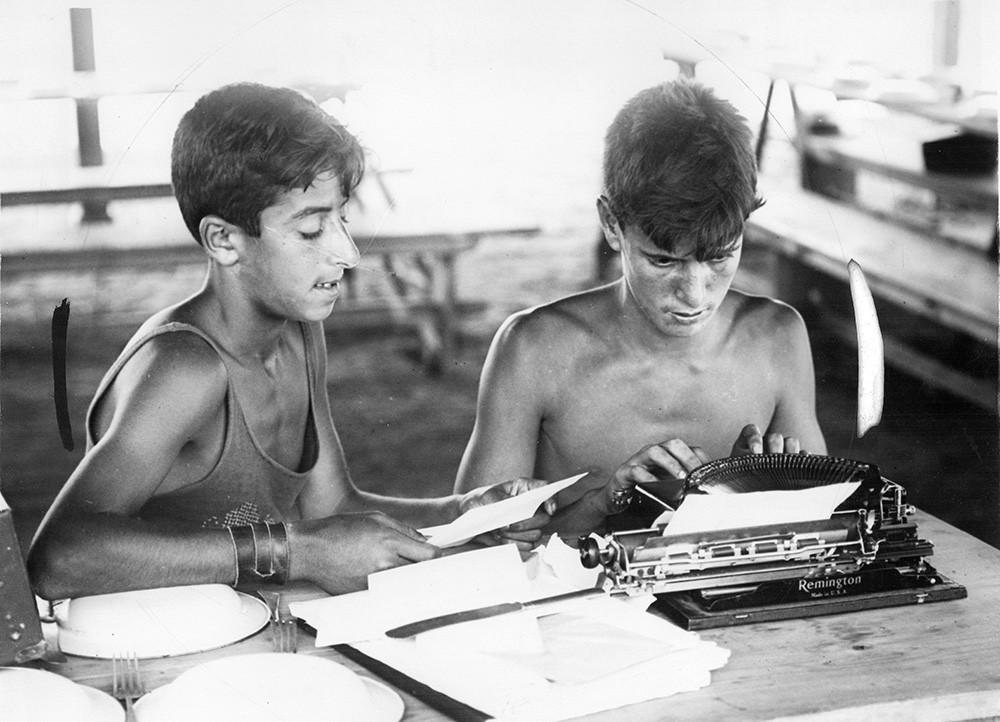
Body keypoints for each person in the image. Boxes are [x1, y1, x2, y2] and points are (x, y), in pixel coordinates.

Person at [28, 83, 550, 601]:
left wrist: (462, 514)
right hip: (156, 634)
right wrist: (297, 552)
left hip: (244, 623)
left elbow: (330, 509)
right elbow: (59, 558)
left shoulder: (298, 332)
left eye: (342, 218)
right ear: (224, 240)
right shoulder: (185, 367)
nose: (348, 253)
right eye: (311, 231)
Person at [454, 79, 826, 537]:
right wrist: (600, 505)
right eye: (663, 261)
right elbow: (473, 542)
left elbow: (825, 530)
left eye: (719, 257)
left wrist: (749, 491)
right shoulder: (535, 350)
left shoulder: (776, 338)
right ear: (612, 225)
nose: (694, 296)